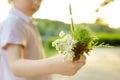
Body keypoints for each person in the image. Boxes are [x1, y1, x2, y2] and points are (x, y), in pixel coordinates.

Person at [0, 0, 86, 80]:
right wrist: (55, 65)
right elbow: (15, 66)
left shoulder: (27, 23)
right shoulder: (14, 22)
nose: (36, 2)